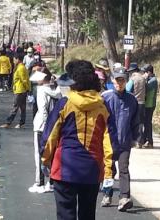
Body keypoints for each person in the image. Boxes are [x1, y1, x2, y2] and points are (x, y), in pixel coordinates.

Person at [40, 60, 116, 220]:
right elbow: (110, 142)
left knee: (65, 215)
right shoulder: (103, 107)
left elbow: (49, 138)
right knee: (87, 215)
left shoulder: (64, 104)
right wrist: (108, 170)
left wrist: (45, 160)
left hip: (64, 169)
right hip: (92, 170)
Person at [101, 67, 139, 211]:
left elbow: (136, 121)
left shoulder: (132, 99)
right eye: (117, 80)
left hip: (125, 141)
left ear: (126, 81)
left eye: (122, 80)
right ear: (112, 80)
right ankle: (107, 194)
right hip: (108, 142)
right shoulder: (105, 97)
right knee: (109, 169)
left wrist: (135, 138)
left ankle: (124, 197)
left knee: (124, 168)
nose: (120, 83)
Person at [29, 68, 61, 193]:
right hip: (54, 126)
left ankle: (39, 183)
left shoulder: (41, 90)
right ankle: (51, 182)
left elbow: (42, 110)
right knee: (52, 154)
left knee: (39, 155)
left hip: (41, 126)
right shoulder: (56, 89)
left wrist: (45, 124)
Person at [0, 53, 30, 128]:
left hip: (20, 90)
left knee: (15, 107)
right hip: (20, 90)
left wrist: (27, 89)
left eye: (14, 59)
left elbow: (24, 80)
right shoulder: (19, 67)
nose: (13, 61)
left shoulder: (21, 68)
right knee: (22, 107)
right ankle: (21, 123)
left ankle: (8, 122)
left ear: (18, 59)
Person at [126, 62, 146, 148]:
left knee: (133, 121)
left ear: (133, 71)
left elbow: (127, 89)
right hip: (142, 102)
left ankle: (134, 140)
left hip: (134, 102)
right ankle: (140, 141)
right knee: (141, 122)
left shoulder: (132, 79)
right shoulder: (143, 78)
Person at [142, 64, 158, 148]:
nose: (143, 73)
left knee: (148, 123)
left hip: (150, 105)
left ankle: (150, 141)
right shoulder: (150, 79)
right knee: (146, 123)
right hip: (147, 104)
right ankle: (144, 140)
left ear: (149, 72)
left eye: (145, 72)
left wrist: (143, 78)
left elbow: (145, 88)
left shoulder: (153, 80)